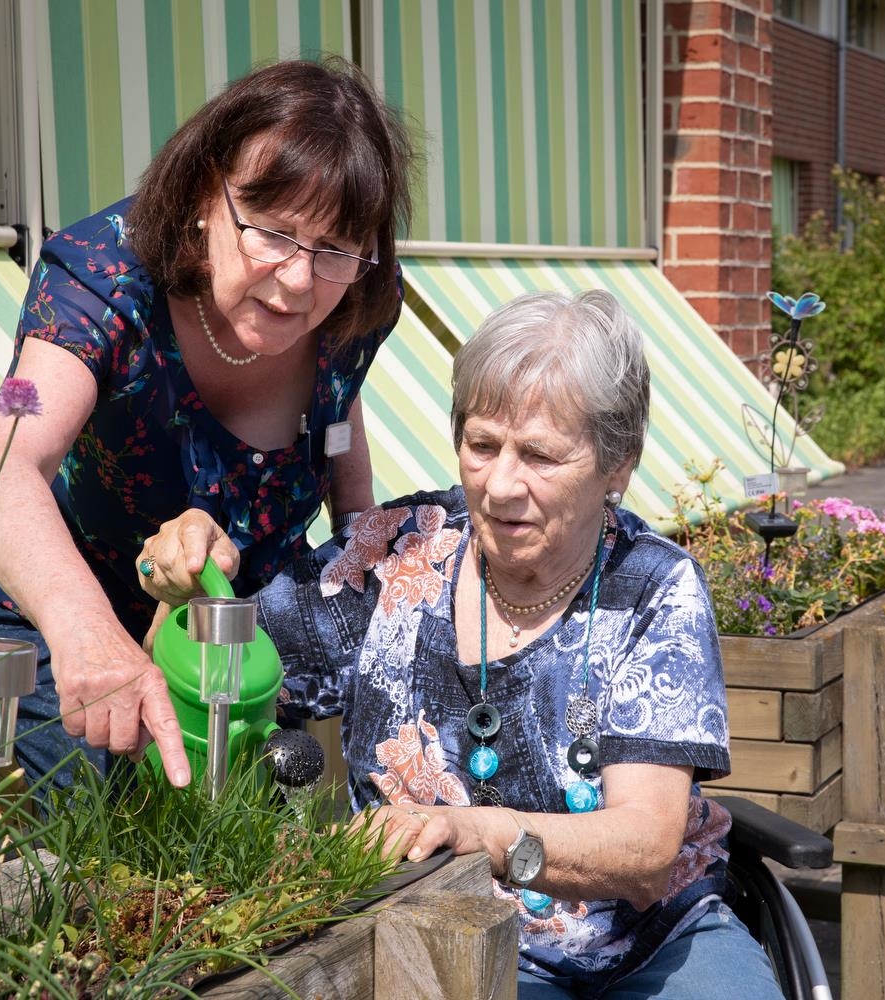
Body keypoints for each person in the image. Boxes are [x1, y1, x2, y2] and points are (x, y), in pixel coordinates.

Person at [138, 290, 783, 998]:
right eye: (482, 445)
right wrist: (182, 589)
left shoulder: (652, 586)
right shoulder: (390, 558)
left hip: (650, 943)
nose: (502, 484)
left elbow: (645, 849)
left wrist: (478, 832)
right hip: (436, 933)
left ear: (617, 464)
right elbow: (210, 674)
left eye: (539, 455)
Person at [0, 58, 415, 791]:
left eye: (332, 248)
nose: (298, 280)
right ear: (205, 193)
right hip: (63, 599)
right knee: (72, 830)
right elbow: (3, 465)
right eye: (274, 233)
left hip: (228, 616)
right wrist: (89, 633)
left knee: (222, 831)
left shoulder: (358, 292)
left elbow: (339, 404)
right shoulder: (100, 276)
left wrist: (358, 525)